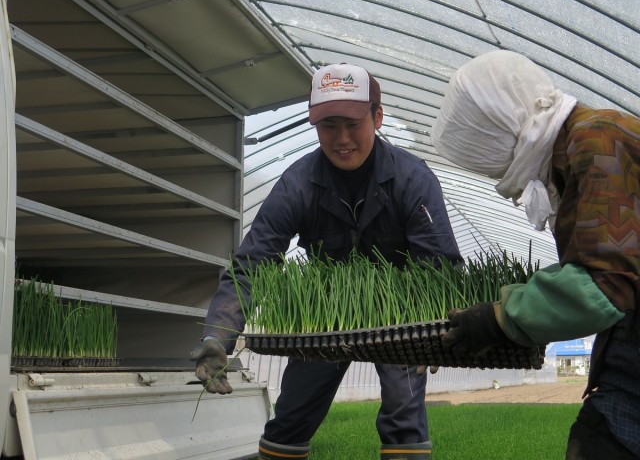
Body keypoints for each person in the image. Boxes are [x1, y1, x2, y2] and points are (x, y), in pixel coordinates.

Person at [190, 63, 462, 460]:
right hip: (326, 320)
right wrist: (218, 335)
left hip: (401, 319)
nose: (342, 139)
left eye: (353, 123)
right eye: (329, 126)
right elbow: (252, 263)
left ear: (378, 116)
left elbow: (440, 266)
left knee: (404, 413)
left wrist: (441, 332)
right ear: (314, 124)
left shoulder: (411, 179)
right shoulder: (298, 183)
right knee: (291, 415)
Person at [432, 50, 640, 459]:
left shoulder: (597, 139)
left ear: (502, 131)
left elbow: (606, 284)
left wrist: (499, 318)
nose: (497, 173)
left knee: (599, 442)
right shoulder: (582, 146)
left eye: (491, 157)